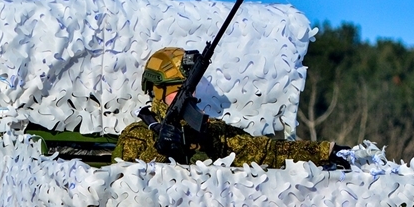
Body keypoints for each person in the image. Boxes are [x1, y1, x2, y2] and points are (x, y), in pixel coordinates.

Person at [114, 47, 348, 168]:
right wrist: (160, 149)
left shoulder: (211, 132)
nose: (189, 95)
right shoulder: (138, 137)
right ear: (157, 90)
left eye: (190, 88)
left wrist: (323, 152)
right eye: (179, 88)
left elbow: (267, 152)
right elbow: (126, 186)